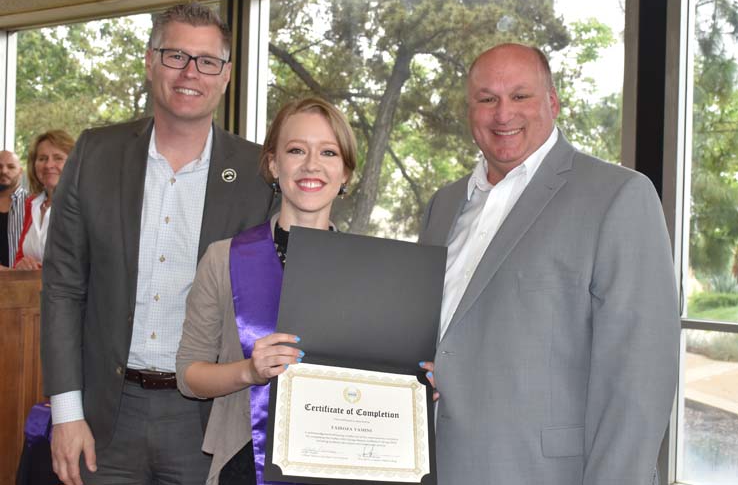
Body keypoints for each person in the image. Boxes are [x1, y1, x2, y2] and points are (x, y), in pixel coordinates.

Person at [418, 43, 679, 484]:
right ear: (470, 111)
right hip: (435, 466)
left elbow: (639, 378)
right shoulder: (443, 205)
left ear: (553, 103)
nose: (503, 114)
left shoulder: (617, 196)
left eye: (520, 96)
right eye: (487, 99)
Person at [41, 2, 275, 485]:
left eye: (207, 60)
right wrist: (66, 412)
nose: (191, 72)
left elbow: (293, 281)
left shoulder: (258, 175)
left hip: (209, 423)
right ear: (150, 61)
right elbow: (63, 289)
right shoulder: (94, 154)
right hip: (104, 418)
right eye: (175, 56)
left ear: (227, 74)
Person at [175, 97, 356, 485]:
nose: (311, 164)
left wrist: (418, 381)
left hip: (340, 461)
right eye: (296, 150)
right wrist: (249, 371)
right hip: (244, 461)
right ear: (274, 164)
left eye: (328, 152)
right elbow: (189, 376)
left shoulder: (371, 271)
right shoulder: (224, 259)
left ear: (345, 173)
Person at [14, 130, 74, 270]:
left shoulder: (85, 205)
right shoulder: (32, 204)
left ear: (74, 163)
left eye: (58, 158)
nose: (48, 165)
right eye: (42, 158)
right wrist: (21, 265)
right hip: (31, 291)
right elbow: (21, 256)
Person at [0, 149, 27, 269]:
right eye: (0, 166)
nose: (4, 171)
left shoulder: (33, 203)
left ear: (20, 172)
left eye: (11, 167)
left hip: (19, 283)